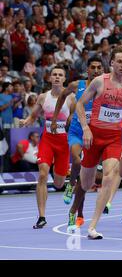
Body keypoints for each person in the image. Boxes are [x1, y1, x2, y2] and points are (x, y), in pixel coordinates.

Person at [76, 45, 122, 239]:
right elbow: (79, 104)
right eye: (119, 61)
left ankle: (92, 226)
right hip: (93, 137)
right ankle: (75, 186)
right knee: (86, 182)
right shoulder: (100, 82)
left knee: (109, 177)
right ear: (112, 63)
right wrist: (85, 128)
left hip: (113, 140)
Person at [50, 56, 104, 231]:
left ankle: (77, 210)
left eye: (99, 67)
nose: (96, 70)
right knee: (78, 162)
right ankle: (70, 185)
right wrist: (55, 118)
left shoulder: (105, 86)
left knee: (87, 178)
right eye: (93, 67)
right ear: (87, 70)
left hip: (94, 135)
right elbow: (62, 97)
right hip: (76, 133)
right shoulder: (77, 85)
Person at [20, 65, 75, 229]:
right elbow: (33, 116)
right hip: (47, 141)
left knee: (58, 183)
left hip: (64, 143)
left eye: (60, 75)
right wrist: (26, 121)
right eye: (54, 75)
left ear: (64, 79)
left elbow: (74, 118)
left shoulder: (71, 98)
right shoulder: (43, 97)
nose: (57, 77)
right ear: (50, 78)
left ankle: (70, 182)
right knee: (43, 174)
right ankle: (42, 216)